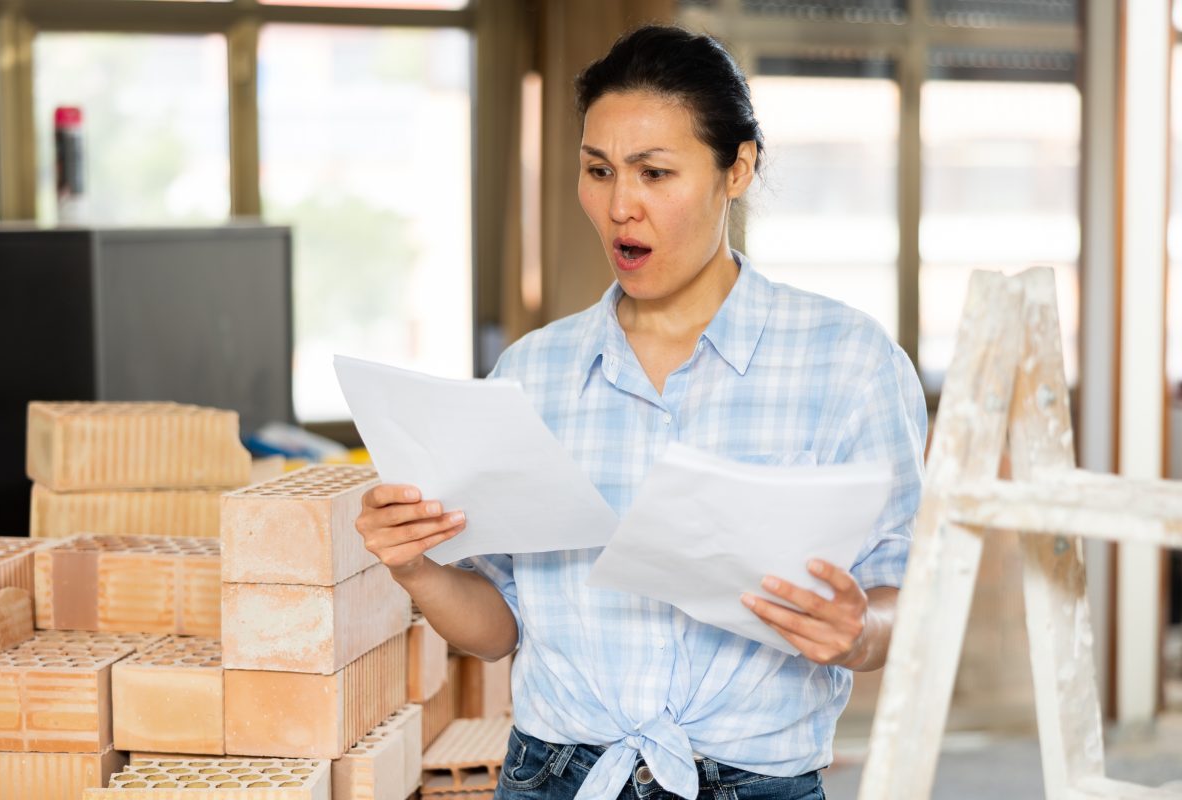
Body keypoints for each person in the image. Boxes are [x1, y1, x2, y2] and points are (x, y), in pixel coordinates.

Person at [355, 24, 927, 800]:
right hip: (553, 776)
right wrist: (415, 566)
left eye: (655, 172)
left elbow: (909, 599)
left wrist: (858, 631)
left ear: (738, 170)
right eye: (598, 171)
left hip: (755, 783)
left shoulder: (849, 363)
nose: (621, 205)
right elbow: (499, 629)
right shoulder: (534, 373)